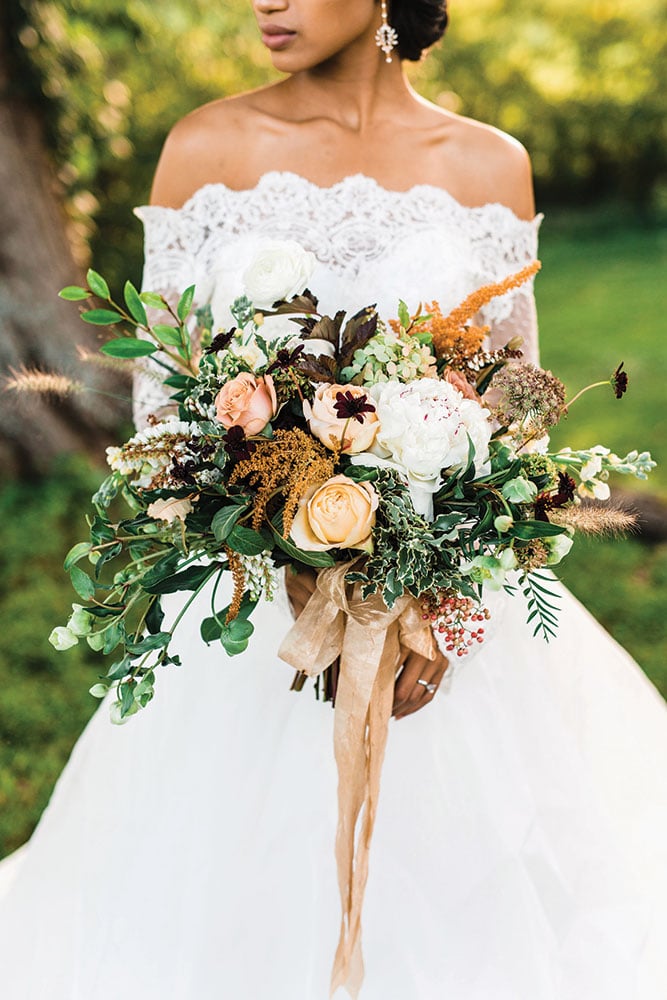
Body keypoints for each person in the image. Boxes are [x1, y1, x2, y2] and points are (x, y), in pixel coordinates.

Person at [1, 1, 666, 997]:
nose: (266, 0)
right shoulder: (205, 148)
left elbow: (509, 417)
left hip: (440, 616)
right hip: (249, 615)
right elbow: (163, 415)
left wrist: (431, 593)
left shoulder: (488, 164)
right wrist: (285, 547)